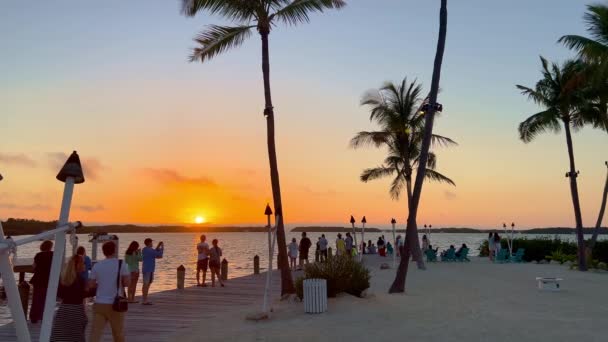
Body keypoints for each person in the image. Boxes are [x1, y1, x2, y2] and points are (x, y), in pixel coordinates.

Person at [89, 241, 130, 342]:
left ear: (103, 252)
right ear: (115, 250)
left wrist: (102, 283)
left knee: (95, 333)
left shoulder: (97, 266)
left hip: (99, 304)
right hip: (116, 305)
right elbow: (127, 283)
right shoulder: (121, 264)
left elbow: (91, 285)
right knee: (118, 333)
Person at [50, 255, 90, 342]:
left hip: (64, 310)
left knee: (59, 337)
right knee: (76, 337)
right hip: (76, 311)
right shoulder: (80, 280)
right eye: (83, 263)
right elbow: (81, 296)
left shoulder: (63, 278)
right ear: (78, 265)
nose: (85, 265)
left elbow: (59, 295)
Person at [29, 240, 53, 323]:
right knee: (47, 298)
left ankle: (34, 317)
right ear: (50, 247)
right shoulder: (53, 255)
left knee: (36, 298)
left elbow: (34, 266)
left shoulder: (38, 255)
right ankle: (43, 316)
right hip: (48, 279)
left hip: (38, 279)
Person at [141, 238, 164, 305]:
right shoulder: (150, 250)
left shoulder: (144, 249)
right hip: (149, 269)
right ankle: (145, 300)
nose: (152, 243)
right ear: (149, 243)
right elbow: (160, 255)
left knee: (145, 284)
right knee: (147, 284)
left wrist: (158, 246)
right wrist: (162, 247)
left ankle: (144, 299)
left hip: (145, 269)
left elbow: (155, 253)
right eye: (151, 242)